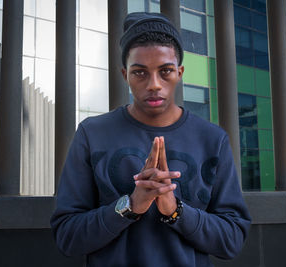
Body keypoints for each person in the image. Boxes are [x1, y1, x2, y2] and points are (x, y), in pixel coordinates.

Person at [51, 12, 251, 267]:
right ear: (125, 75)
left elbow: (231, 240)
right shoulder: (93, 133)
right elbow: (67, 236)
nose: (154, 84)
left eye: (165, 71)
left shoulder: (212, 139)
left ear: (179, 72)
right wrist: (131, 205)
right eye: (140, 73)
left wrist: (175, 210)